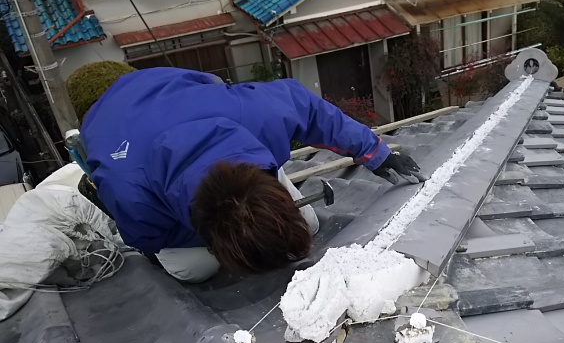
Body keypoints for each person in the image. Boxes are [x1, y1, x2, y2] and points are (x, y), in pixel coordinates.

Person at [69, 64, 424, 283]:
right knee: (196, 270)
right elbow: (144, 239)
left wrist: (377, 154)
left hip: (175, 86)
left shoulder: (256, 115)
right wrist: (220, 245)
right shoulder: (129, 192)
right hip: (112, 122)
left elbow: (309, 108)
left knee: (310, 225)